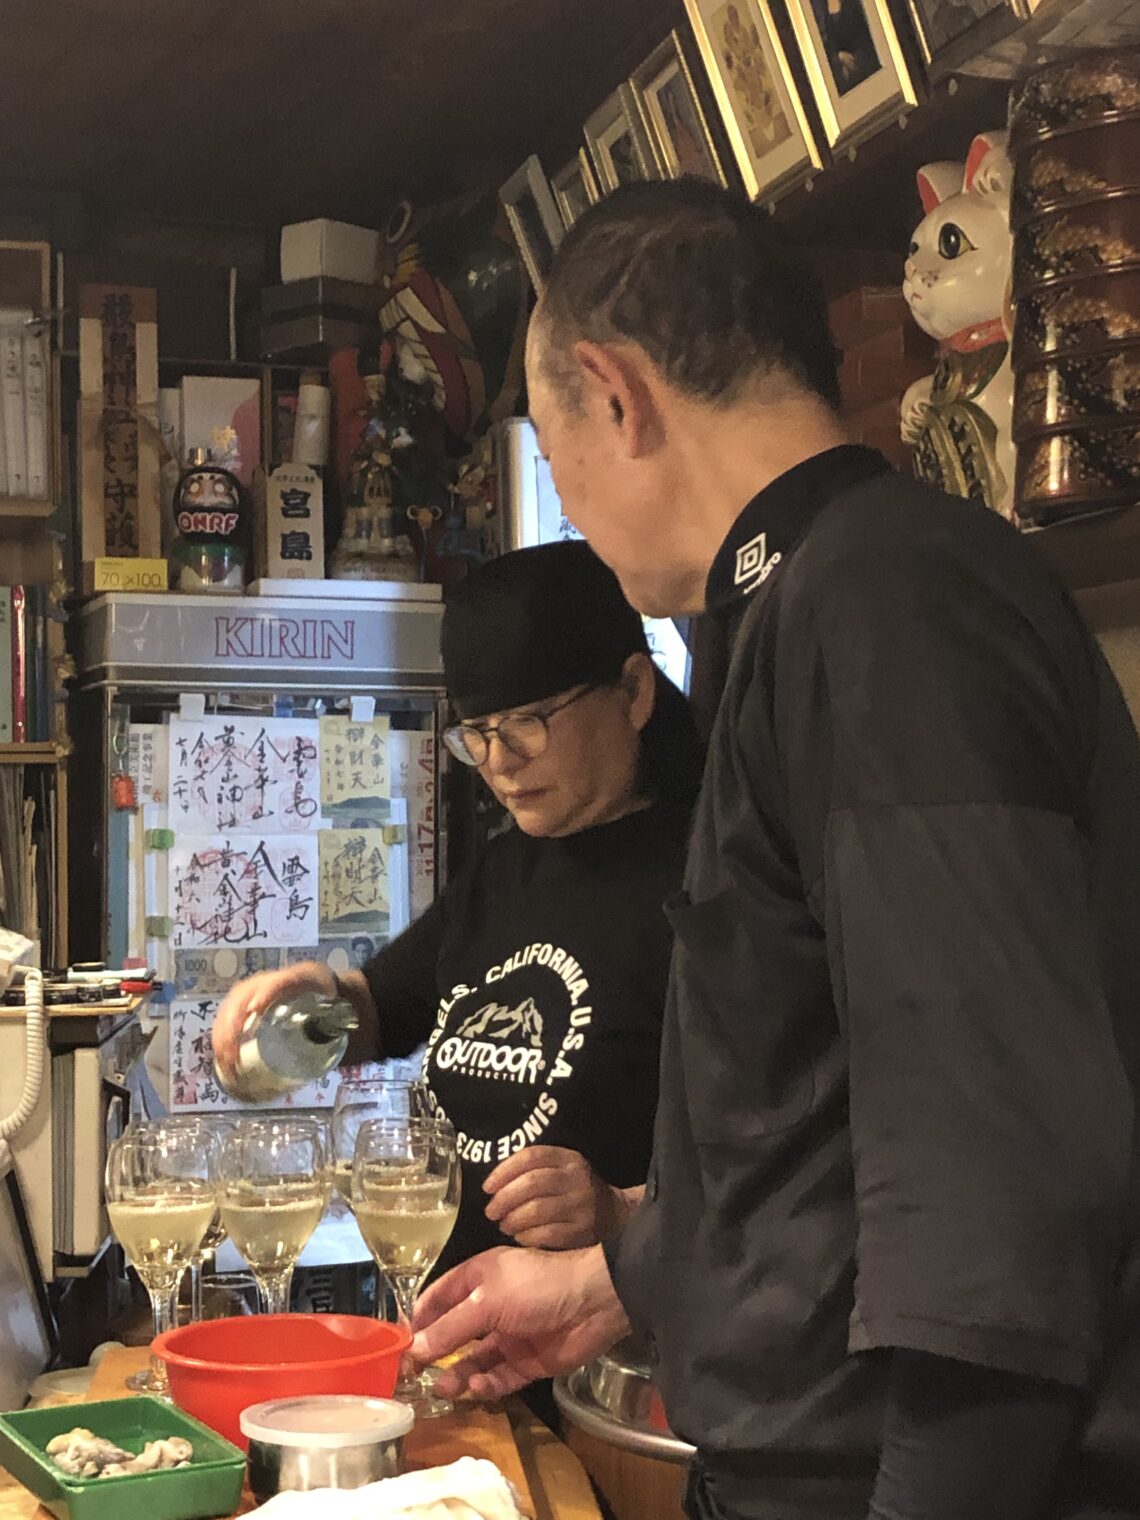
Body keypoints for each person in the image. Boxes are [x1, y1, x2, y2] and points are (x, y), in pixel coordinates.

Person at [410, 178, 1140, 1520]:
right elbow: (812, 1116)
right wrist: (608, 1284)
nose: (574, 506)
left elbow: (993, 1190)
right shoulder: (801, 602)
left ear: (614, 394)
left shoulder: (883, 598)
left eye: (555, 458)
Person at [211, 539, 702, 1282]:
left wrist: (625, 1211)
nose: (500, 762)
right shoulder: (507, 867)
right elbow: (380, 1008)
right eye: (477, 734)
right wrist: (311, 996)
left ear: (633, 692)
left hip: (608, 1336)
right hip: (454, 1316)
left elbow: (781, 1164)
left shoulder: (709, 878)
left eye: (529, 723)